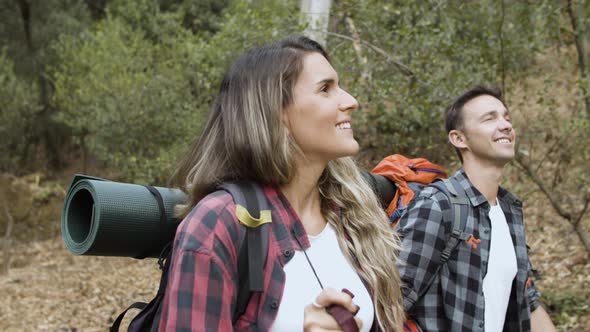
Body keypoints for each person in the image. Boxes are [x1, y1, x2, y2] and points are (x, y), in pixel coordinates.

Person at [157, 36, 405, 331]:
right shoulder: (218, 224)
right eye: (326, 89)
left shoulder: (351, 217)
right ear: (276, 113)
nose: (351, 101)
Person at [395, 85, 556, 331]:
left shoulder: (510, 212)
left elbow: (527, 301)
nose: (505, 125)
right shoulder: (438, 205)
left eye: (506, 117)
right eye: (490, 119)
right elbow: (391, 301)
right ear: (459, 138)